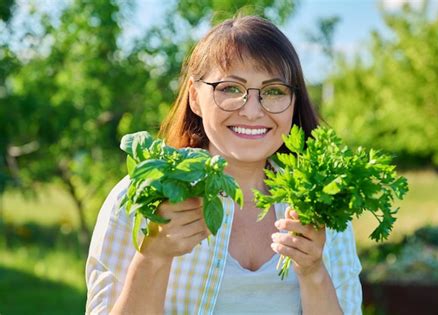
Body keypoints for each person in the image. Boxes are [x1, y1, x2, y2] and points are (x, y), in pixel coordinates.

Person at [85, 15, 362, 314]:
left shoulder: (320, 204)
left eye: (273, 91)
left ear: (294, 101)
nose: (253, 111)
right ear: (195, 97)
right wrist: (154, 256)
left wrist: (313, 272)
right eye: (230, 88)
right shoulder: (143, 196)